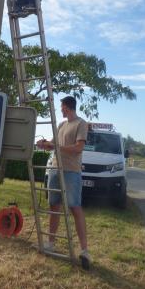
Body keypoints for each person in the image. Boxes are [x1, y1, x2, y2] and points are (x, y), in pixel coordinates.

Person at [36, 96, 91, 269]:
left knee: (75, 207)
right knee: (54, 205)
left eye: (62, 107)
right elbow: (54, 144)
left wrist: (56, 147)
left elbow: (78, 148)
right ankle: (50, 243)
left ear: (67, 107)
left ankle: (84, 250)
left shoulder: (81, 123)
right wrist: (44, 144)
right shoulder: (61, 125)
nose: (61, 110)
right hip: (54, 169)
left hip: (71, 171)